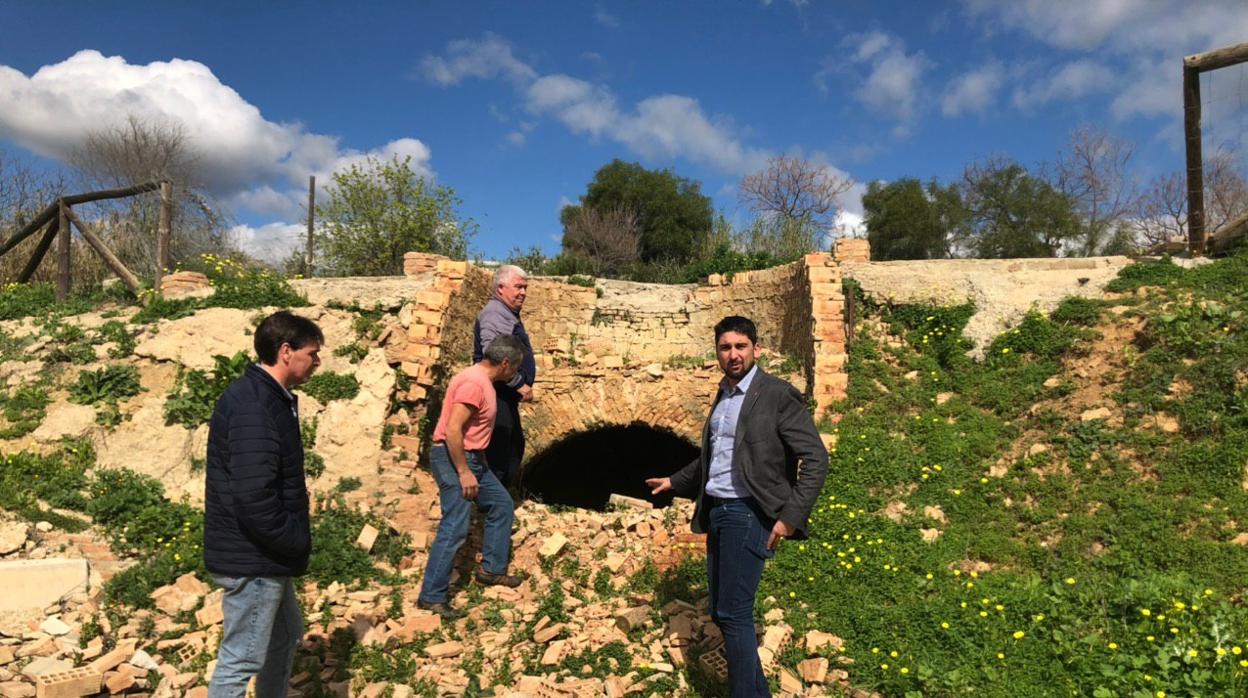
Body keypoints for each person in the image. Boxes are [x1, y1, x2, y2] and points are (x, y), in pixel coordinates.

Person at [646, 316, 828, 698]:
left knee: (734, 613)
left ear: (756, 349)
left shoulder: (776, 394)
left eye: (740, 346)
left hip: (748, 512)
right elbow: (714, 455)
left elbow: (815, 458)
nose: (733, 354)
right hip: (718, 510)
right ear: (717, 352)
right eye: (725, 347)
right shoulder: (724, 396)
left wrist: (790, 517)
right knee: (723, 611)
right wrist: (675, 481)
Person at [204, 311, 323, 698]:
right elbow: (254, 496)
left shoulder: (270, 397)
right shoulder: (255, 404)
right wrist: (293, 541)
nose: (317, 362)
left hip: (263, 555)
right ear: (286, 352)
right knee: (241, 658)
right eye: (312, 353)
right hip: (254, 557)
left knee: (285, 632)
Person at [417, 335, 527, 618]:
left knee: (501, 504)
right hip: (455, 459)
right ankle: (431, 596)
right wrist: (464, 471)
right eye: (516, 368)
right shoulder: (473, 384)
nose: (515, 374)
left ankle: (491, 570)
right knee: (455, 525)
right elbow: (454, 429)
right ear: (505, 363)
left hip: (474, 459)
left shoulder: (484, 382)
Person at [474, 264, 535, 486]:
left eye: (525, 287)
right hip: (498, 391)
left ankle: (496, 500)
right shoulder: (495, 313)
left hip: (504, 393)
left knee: (512, 444)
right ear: (501, 288)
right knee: (500, 448)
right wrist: (518, 382)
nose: (523, 292)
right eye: (518, 287)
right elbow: (493, 352)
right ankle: (489, 503)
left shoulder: (507, 313)